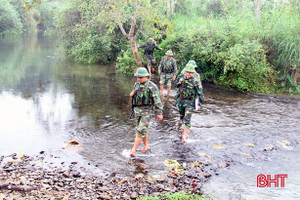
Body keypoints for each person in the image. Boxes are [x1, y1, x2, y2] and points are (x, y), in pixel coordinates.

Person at [129, 67, 163, 157]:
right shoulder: (136, 84)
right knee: (142, 129)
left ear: (146, 76)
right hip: (137, 111)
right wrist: (132, 93)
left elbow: (157, 101)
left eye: (140, 77)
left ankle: (133, 150)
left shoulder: (152, 86)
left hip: (147, 111)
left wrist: (159, 113)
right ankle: (146, 146)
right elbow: (135, 92)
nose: (138, 79)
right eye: (137, 77)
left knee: (140, 130)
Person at [176, 64, 204, 142]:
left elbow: (200, 93)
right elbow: (176, 86)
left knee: (187, 118)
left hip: (190, 102)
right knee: (182, 116)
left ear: (192, 73)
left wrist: (199, 104)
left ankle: (184, 136)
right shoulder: (181, 78)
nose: (188, 74)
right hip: (181, 101)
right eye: (187, 72)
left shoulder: (196, 82)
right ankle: (184, 129)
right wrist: (179, 81)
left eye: (190, 72)